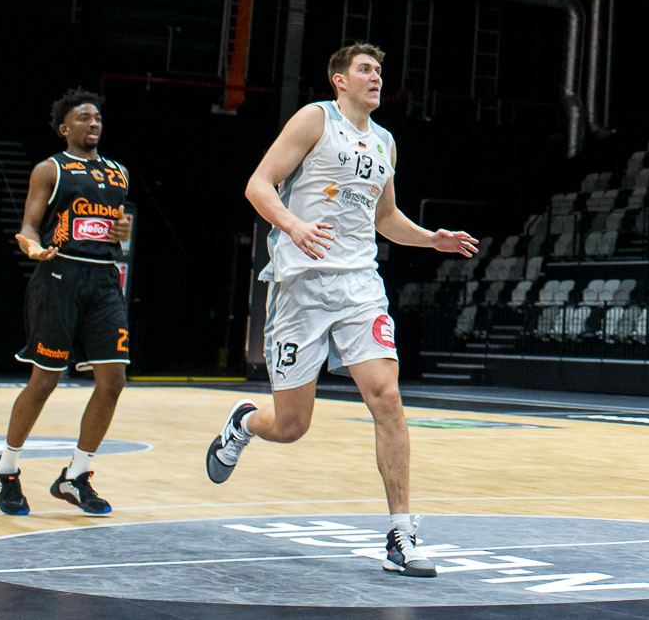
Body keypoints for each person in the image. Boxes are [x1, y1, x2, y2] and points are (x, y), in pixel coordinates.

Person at [204, 44, 480, 578]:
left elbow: (387, 217)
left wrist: (431, 239)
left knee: (388, 398)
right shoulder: (315, 119)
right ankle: (243, 423)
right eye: (365, 69)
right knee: (291, 425)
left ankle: (401, 533)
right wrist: (293, 225)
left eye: (379, 70)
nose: (376, 76)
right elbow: (258, 184)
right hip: (302, 284)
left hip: (359, 287)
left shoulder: (385, 142)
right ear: (339, 80)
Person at [0, 89, 133, 517]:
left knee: (113, 382)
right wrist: (31, 247)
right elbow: (30, 225)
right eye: (84, 117)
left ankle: (75, 476)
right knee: (45, 381)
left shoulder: (118, 173)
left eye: (98, 118)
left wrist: (121, 233)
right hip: (58, 277)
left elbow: (114, 226)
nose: (94, 123)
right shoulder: (49, 169)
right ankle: (7, 469)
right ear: (64, 128)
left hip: (105, 279)